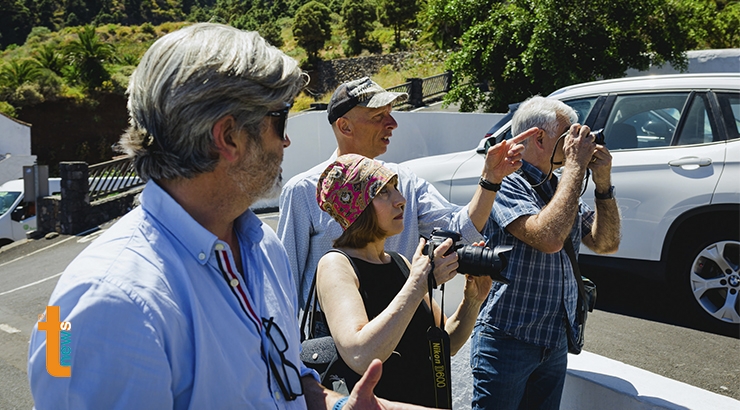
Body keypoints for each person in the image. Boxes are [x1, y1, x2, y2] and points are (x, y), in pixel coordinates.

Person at [27, 23, 430, 410]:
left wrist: (337, 404)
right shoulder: (106, 302)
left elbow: (284, 383)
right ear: (229, 136)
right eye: (280, 120)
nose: (287, 139)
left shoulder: (261, 246)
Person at [278, 76, 535, 309]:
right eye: (379, 116)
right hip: (334, 344)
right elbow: (283, 285)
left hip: (404, 330)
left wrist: (490, 179)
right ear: (345, 127)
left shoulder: (407, 182)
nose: (393, 124)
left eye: (390, 114)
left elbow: (461, 231)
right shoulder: (303, 191)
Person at [470, 96, 621, 410]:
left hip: (553, 341)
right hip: (508, 340)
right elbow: (548, 238)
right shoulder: (507, 181)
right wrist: (576, 167)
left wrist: (603, 183)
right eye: (567, 137)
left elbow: (606, 243)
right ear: (539, 137)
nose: (573, 145)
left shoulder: (558, 186)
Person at [315, 153, 493, 406]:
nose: (400, 200)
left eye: (396, 189)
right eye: (383, 192)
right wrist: (418, 284)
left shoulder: (401, 262)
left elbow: (447, 343)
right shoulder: (336, 265)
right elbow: (360, 354)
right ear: (357, 207)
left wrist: (472, 301)